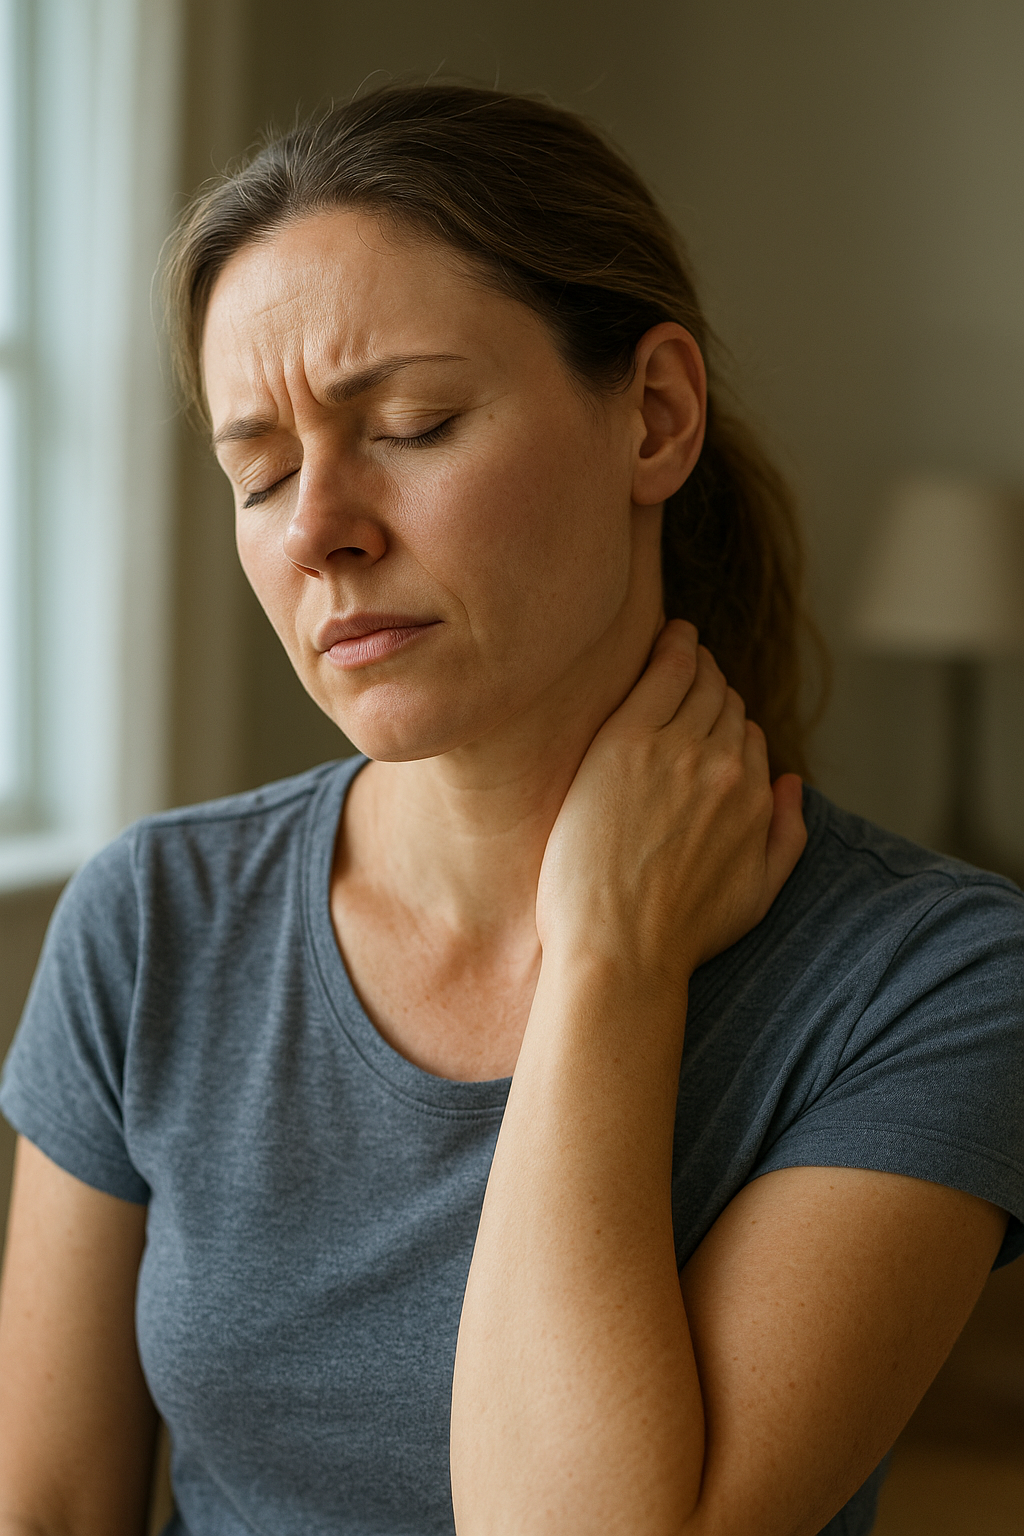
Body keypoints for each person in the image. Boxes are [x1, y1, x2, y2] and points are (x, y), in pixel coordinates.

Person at [0, 82, 1021, 1536]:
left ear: (656, 418)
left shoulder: (936, 985)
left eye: (412, 425)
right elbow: (44, 1511)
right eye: (263, 471)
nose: (319, 531)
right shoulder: (154, 919)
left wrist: (611, 959)